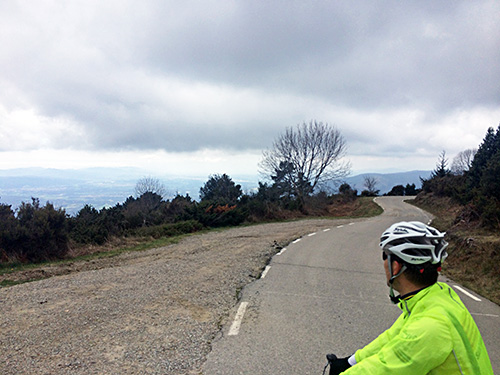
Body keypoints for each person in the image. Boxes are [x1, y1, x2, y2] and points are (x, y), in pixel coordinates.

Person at [327, 221, 494, 375]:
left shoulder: (430, 327)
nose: (384, 262)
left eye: (385, 256)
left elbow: (386, 368)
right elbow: (393, 337)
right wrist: (350, 361)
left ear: (396, 266)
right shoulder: (436, 297)